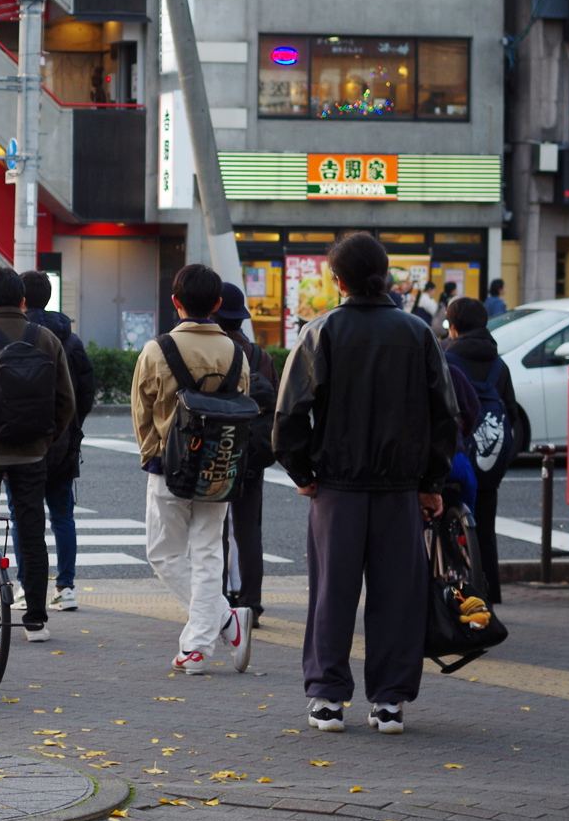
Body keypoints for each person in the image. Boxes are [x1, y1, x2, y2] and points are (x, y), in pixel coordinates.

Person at [276, 233, 458, 734]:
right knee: (397, 596)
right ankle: (390, 701)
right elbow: (445, 415)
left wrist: (303, 473)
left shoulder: (321, 332)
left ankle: (327, 698)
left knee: (331, 594)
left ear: (338, 281)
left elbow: (289, 414)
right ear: (386, 274)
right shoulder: (417, 333)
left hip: (336, 488)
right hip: (401, 489)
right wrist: (431, 481)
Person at [129, 264, 251, 676]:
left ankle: (205, 639)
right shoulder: (236, 352)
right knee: (208, 552)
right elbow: (243, 406)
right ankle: (218, 625)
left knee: (163, 553)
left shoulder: (156, 350)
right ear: (217, 303)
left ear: (174, 301)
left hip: (169, 466)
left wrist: (153, 455)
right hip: (220, 465)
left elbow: (141, 412)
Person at [0, 267, 74, 644]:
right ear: (23, 300)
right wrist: (44, 439)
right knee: (32, 533)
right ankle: (36, 621)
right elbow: (66, 401)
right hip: (32, 454)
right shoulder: (46, 338)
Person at [21, 270, 96, 613]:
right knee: (62, 515)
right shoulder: (71, 338)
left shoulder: (15, 335)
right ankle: (65, 587)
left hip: (23, 441)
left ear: (21, 298)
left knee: (24, 515)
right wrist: (72, 425)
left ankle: (26, 586)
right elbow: (86, 391)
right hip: (64, 441)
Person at [443, 295, 517, 605]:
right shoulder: (499, 364)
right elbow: (511, 413)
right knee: (484, 527)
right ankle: (489, 592)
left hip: (456, 456)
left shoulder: (446, 359)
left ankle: (452, 592)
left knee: (444, 524)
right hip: (490, 458)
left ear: (454, 326)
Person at [214, 282, 277, 628]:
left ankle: (220, 602)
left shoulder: (214, 352)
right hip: (253, 451)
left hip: (216, 451)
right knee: (249, 530)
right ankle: (251, 605)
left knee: (215, 530)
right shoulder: (260, 356)